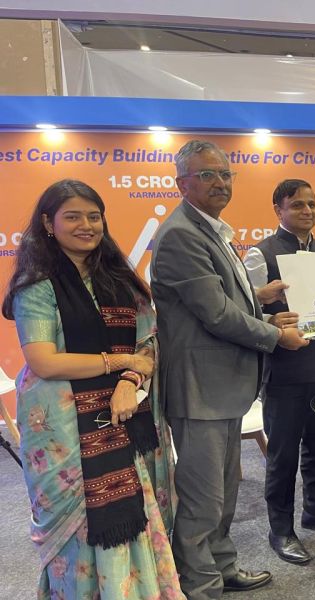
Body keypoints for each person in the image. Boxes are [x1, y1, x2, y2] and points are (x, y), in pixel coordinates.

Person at [2, 179, 183, 599]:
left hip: (126, 413)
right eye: (72, 216)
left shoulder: (120, 280)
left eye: (93, 216)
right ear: (48, 223)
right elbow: (44, 361)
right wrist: (120, 363)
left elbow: (148, 342)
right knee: (78, 527)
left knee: (137, 510)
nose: (86, 225)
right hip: (62, 428)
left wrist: (129, 382)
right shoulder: (37, 285)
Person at [151, 140, 308, 599]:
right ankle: (200, 586)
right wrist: (275, 335)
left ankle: (221, 567)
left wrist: (263, 311)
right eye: (207, 175)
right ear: (181, 183)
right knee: (202, 498)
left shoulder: (210, 228)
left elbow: (223, 299)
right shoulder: (181, 234)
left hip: (222, 387)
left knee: (222, 492)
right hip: (199, 389)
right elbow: (216, 313)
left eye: (225, 174)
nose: (219, 182)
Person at [242, 179, 315, 565]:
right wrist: (269, 314)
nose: (307, 211)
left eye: (311, 204)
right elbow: (245, 314)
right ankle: (281, 529)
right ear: (279, 209)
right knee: (282, 455)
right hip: (284, 371)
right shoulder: (261, 254)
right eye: (297, 205)